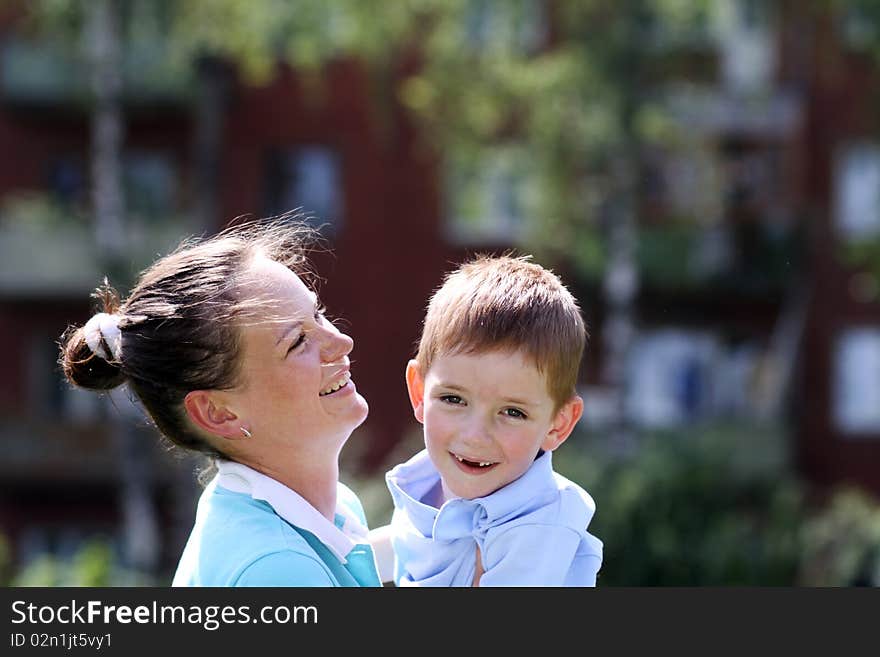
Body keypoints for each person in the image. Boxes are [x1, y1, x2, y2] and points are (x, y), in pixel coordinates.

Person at [58, 218, 382, 587]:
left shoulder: (316, 511)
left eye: (318, 312)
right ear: (218, 413)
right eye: (297, 342)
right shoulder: (276, 567)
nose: (341, 344)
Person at [383, 254, 603, 586]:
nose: (475, 436)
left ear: (558, 424)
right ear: (418, 393)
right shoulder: (421, 484)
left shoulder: (537, 529)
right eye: (453, 399)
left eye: (513, 412)